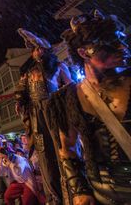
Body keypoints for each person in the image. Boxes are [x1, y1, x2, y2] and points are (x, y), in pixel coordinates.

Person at [47, 10, 131, 204]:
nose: (123, 47)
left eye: (120, 39)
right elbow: (67, 148)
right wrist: (79, 190)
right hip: (103, 197)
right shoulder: (68, 98)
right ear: (84, 52)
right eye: (109, 43)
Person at [15, 28, 72, 205]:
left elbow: (70, 87)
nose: (37, 51)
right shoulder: (27, 74)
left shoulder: (59, 66)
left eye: (40, 48)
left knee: (64, 152)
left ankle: (72, 193)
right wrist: (20, 104)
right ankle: (54, 198)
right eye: (34, 49)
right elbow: (20, 94)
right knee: (45, 157)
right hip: (37, 117)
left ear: (46, 50)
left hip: (55, 111)